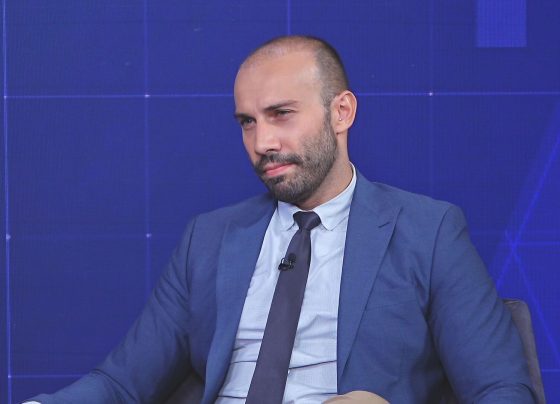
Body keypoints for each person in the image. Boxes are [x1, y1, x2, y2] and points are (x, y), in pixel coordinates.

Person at [27, 35, 535, 403]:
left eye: (281, 114)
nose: (261, 142)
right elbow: (120, 384)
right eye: (247, 122)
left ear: (341, 112)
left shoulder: (429, 231)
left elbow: (502, 390)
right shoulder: (208, 238)